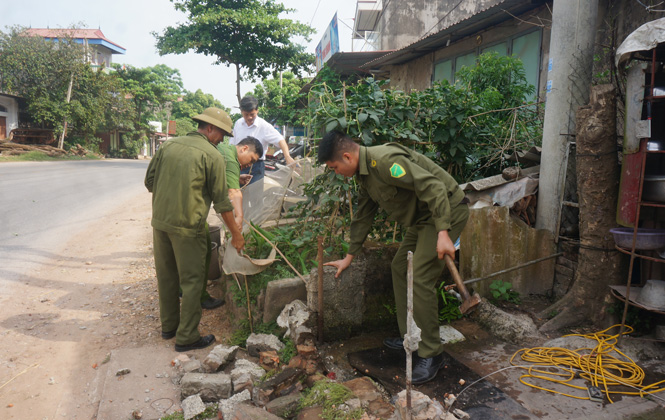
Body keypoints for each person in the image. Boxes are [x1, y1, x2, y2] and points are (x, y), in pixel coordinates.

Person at [319, 131, 469, 384]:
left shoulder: (385, 162)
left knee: (420, 276)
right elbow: (364, 216)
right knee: (400, 267)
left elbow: (433, 187)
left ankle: (431, 353)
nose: (336, 173)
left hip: (446, 212)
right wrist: (349, 256)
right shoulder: (364, 176)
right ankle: (411, 335)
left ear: (347, 156)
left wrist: (444, 232)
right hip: (423, 221)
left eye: (334, 168)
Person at [144, 107, 245, 352]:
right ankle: (187, 336)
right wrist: (236, 234)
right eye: (221, 134)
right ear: (209, 128)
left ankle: (169, 327)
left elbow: (149, 182)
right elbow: (222, 203)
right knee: (191, 281)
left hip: (160, 224)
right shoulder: (212, 156)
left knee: (167, 277)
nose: (222, 140)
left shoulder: (168, 146)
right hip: (189, 227)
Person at [195, 137, 264, 309]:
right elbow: (233, 193)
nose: (250, 165)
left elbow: (222, 178)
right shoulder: (230, 159)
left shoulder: (225, 150)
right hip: (193, 210)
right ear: (244, 149)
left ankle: (186, 290)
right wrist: (239, 218)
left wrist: (238, 178)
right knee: (199, 252)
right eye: (251, 160)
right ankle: (197, 297)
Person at [229, 95, 296, 184]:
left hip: (256, 168)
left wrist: (287, 156)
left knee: (254, 194)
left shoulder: (264, 126)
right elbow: (232, 144)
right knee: (236, 192)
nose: (249, 117)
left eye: (252, 114)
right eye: (246, 114)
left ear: (257, 110)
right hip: (237, 165)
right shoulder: (238, 123)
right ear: (241, 112)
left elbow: (280, 140)